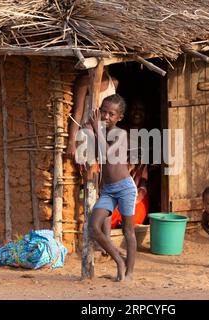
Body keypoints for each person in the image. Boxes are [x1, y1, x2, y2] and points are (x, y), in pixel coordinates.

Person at [66, 69, 118, 260]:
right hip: (87, 139)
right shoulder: (84, 83)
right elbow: (78, 113)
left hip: (106, 140)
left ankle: (106, 241)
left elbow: (115, 113)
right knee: (91, 189)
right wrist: (72, 141)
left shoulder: (114, 82)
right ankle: (94, 241)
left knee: (108, 190)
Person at [86, 94, 137, 282]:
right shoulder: (99, 132)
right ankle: (119, 260)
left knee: (128, 232)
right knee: (93, 226)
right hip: (108, 189)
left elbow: (107, 154)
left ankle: (129, 273)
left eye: (111, 114)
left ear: (119, 117)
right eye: (103, 112)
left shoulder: (121, 134)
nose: (106, 117)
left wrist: (96, 130)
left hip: (124, 188)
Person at [112, 100, 149, 228]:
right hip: (117, 190)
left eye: (141, 109)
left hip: (135, 189)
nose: (137, 112)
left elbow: (144, 177)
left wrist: (140, 193)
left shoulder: (149, 138)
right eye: (134, 108)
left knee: (137, 212)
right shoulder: (118, 133)